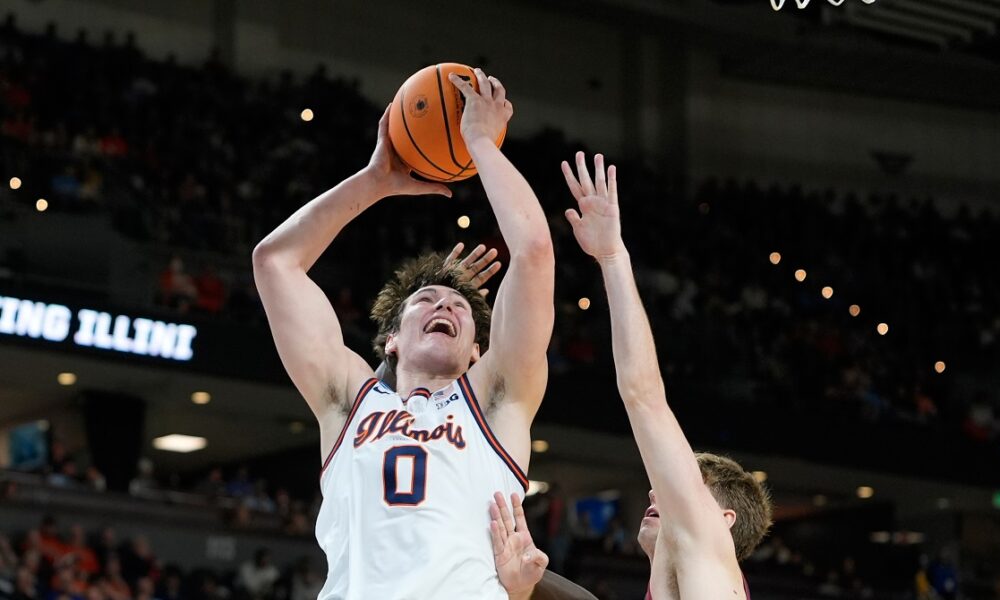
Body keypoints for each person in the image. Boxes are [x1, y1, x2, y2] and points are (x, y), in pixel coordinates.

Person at [252, 68, 554, 599]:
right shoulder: (349, 402)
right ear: (390, 338)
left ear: (478, 350)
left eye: (459, 305)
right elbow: (275, 262)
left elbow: (531, 254)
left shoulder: (495, 399)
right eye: (427, 300)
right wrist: (374, 183)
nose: (444, 305)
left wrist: (480, 142)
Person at [558, 152, 773, 599]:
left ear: (722, 520)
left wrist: (613, 258)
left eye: (689, 487)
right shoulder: (686, 583)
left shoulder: (710, 558)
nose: (658, 491)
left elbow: (643, 397)